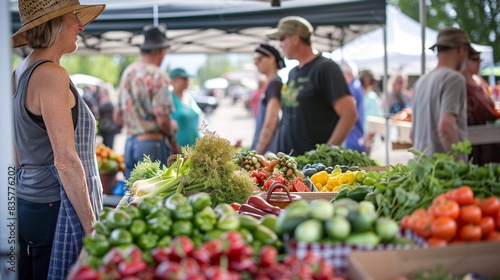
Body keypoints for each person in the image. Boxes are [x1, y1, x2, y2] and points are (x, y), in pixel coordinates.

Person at [11, 0, 105, 279]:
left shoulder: (19, 73)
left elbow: (15, 152)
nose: (81, 25)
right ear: (53, 23)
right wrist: (91, 227)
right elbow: (65, 160)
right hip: (55, 206)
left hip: (29, 201)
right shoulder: (51, 74)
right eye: (74, 16)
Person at [266, 16, 357, 156]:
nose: (280, 45)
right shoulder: (292, 72)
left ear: (296, 39)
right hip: (290, 163)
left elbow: (349, 114)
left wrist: (324, 155)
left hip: (312, 170)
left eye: (282, 39)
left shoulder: (326, 68)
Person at [114, 24, 180, 179]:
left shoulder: (128, 72)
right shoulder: (158, 75)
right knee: (154, 198)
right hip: (152, 146)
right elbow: (163, 121)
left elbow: (117, 116)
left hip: (130, 144)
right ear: (161, 51)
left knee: (133, 198)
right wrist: (173, 129)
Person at [411, 27, 472, 160]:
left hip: (421, 170)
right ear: (462, 49)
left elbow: (412, 133)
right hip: (443, 174)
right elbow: (446, 125)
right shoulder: (454, 78)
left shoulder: (421, 81)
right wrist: (459, 166)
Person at [462, 50, 500, 165]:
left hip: (490, 139)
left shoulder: (480, 81)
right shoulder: (459, 83)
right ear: (464, 60)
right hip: (470, 141)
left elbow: (491, 104)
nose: (479, 62)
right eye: (475, 59)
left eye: (480, 59)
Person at [250, 43, 286, 154]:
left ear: (271, 59)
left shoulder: (274, 85)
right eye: (255, 60)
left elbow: (270, 122)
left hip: (268, 152)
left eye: (259, 59)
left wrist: (257, 154)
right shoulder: (271, 84)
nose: (256, 63)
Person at [169, 67, 202, 147]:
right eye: (184, 79)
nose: (187, 81)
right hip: (178, 149)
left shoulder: (190, 98)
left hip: (196, 148)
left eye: (187, 78)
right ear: (174, 81)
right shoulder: (170, 99)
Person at [341, 61, 365, 152]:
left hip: (352, 134)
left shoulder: (351, 89)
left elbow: (349, 114)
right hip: (356, 133)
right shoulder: (356, 85)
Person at [359, 69, 384, 154]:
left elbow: (375, 120)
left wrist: (368, 139)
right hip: (357, 138)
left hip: (365, 140)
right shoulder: (358, 94)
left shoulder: (372, 97)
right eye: (371, 79)